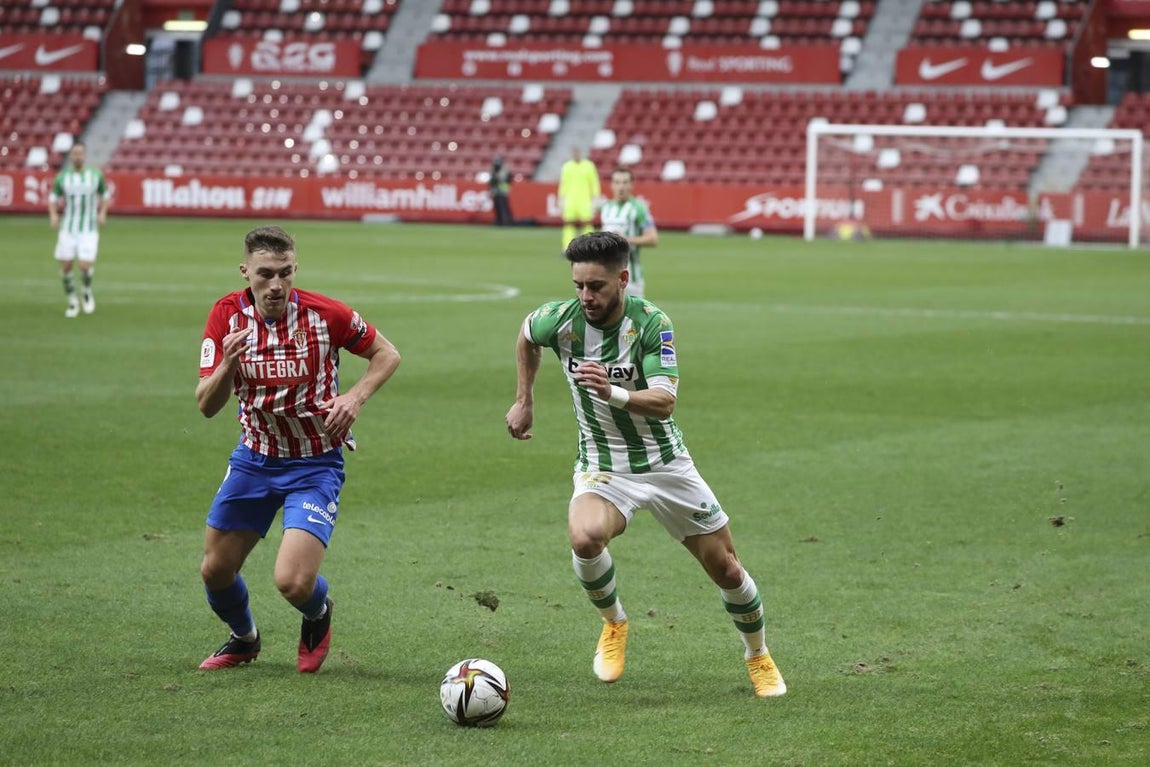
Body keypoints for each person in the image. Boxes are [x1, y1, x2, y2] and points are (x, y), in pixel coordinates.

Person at [505, 231, 786, 698]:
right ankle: (614, 624)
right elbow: (526, 334)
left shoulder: (652, 323)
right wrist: (524, 400)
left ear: (623, 277)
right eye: (578, 285)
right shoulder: (561, 319)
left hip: (665, 464)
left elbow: (665, 401)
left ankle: (757, 655)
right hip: (603, 464)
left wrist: (611, 391)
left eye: (596, 286)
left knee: (728, 570)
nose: (585, 296)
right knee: (584, 537)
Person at [195, 225, 401, 673]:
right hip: (254, 458)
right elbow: (206, 405)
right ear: (245, 271)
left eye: (285, 273)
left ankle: (317, 612)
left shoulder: (326, 315)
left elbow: (387, 354)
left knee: (292, 582)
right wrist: (228, 364)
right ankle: (244, 639)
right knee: (215, 570)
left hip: (315, 463)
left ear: (295, 269)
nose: (276, 285)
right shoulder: (226, 316)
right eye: (265, 274)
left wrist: (354, 398)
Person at [49, 141, 108, 318]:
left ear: (85, 155)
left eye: (81, 152)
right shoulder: (62, 177)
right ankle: (73, 301)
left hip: (88, 228)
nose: (78, 156)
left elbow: (105, 195)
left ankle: (86, 290)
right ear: (70, 156)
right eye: (75, 153)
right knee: (66, 266)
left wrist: (102, 212)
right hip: (68, 228)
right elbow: (52, 198)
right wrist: (53, 215)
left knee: (84, 266)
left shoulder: (95, 175)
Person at [599, 166, 658, 298]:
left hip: (632, 277)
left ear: (632, 185)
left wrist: (625, 240)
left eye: (625, 182)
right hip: (606, 277)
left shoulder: (639, 209)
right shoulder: (606, 208)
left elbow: (652, 238)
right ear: (611, 185)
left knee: (635, 318)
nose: (621, 187)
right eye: (617, 182)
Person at [557, 147, 600, 251]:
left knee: (587, 224)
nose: (575, 154)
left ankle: (588, 247)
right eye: (574, 152)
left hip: (585, 199)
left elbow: (594, 182)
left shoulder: (589, 166)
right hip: (570, 200)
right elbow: (563, 184)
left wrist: (596, 198)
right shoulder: (567, 166)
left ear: (581, 153)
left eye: (577, 152)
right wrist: (561, 198)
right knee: (568, 225)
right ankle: (567, 248)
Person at [489, 155, 514, 226]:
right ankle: (499, 221)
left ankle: (507, 221)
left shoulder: (504, 169)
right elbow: (491, 181)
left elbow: (503, 179)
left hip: (503, 191)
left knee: (504, 207)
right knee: (497, 207)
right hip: (496, 191)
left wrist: (496, 177)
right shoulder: (493, 169)